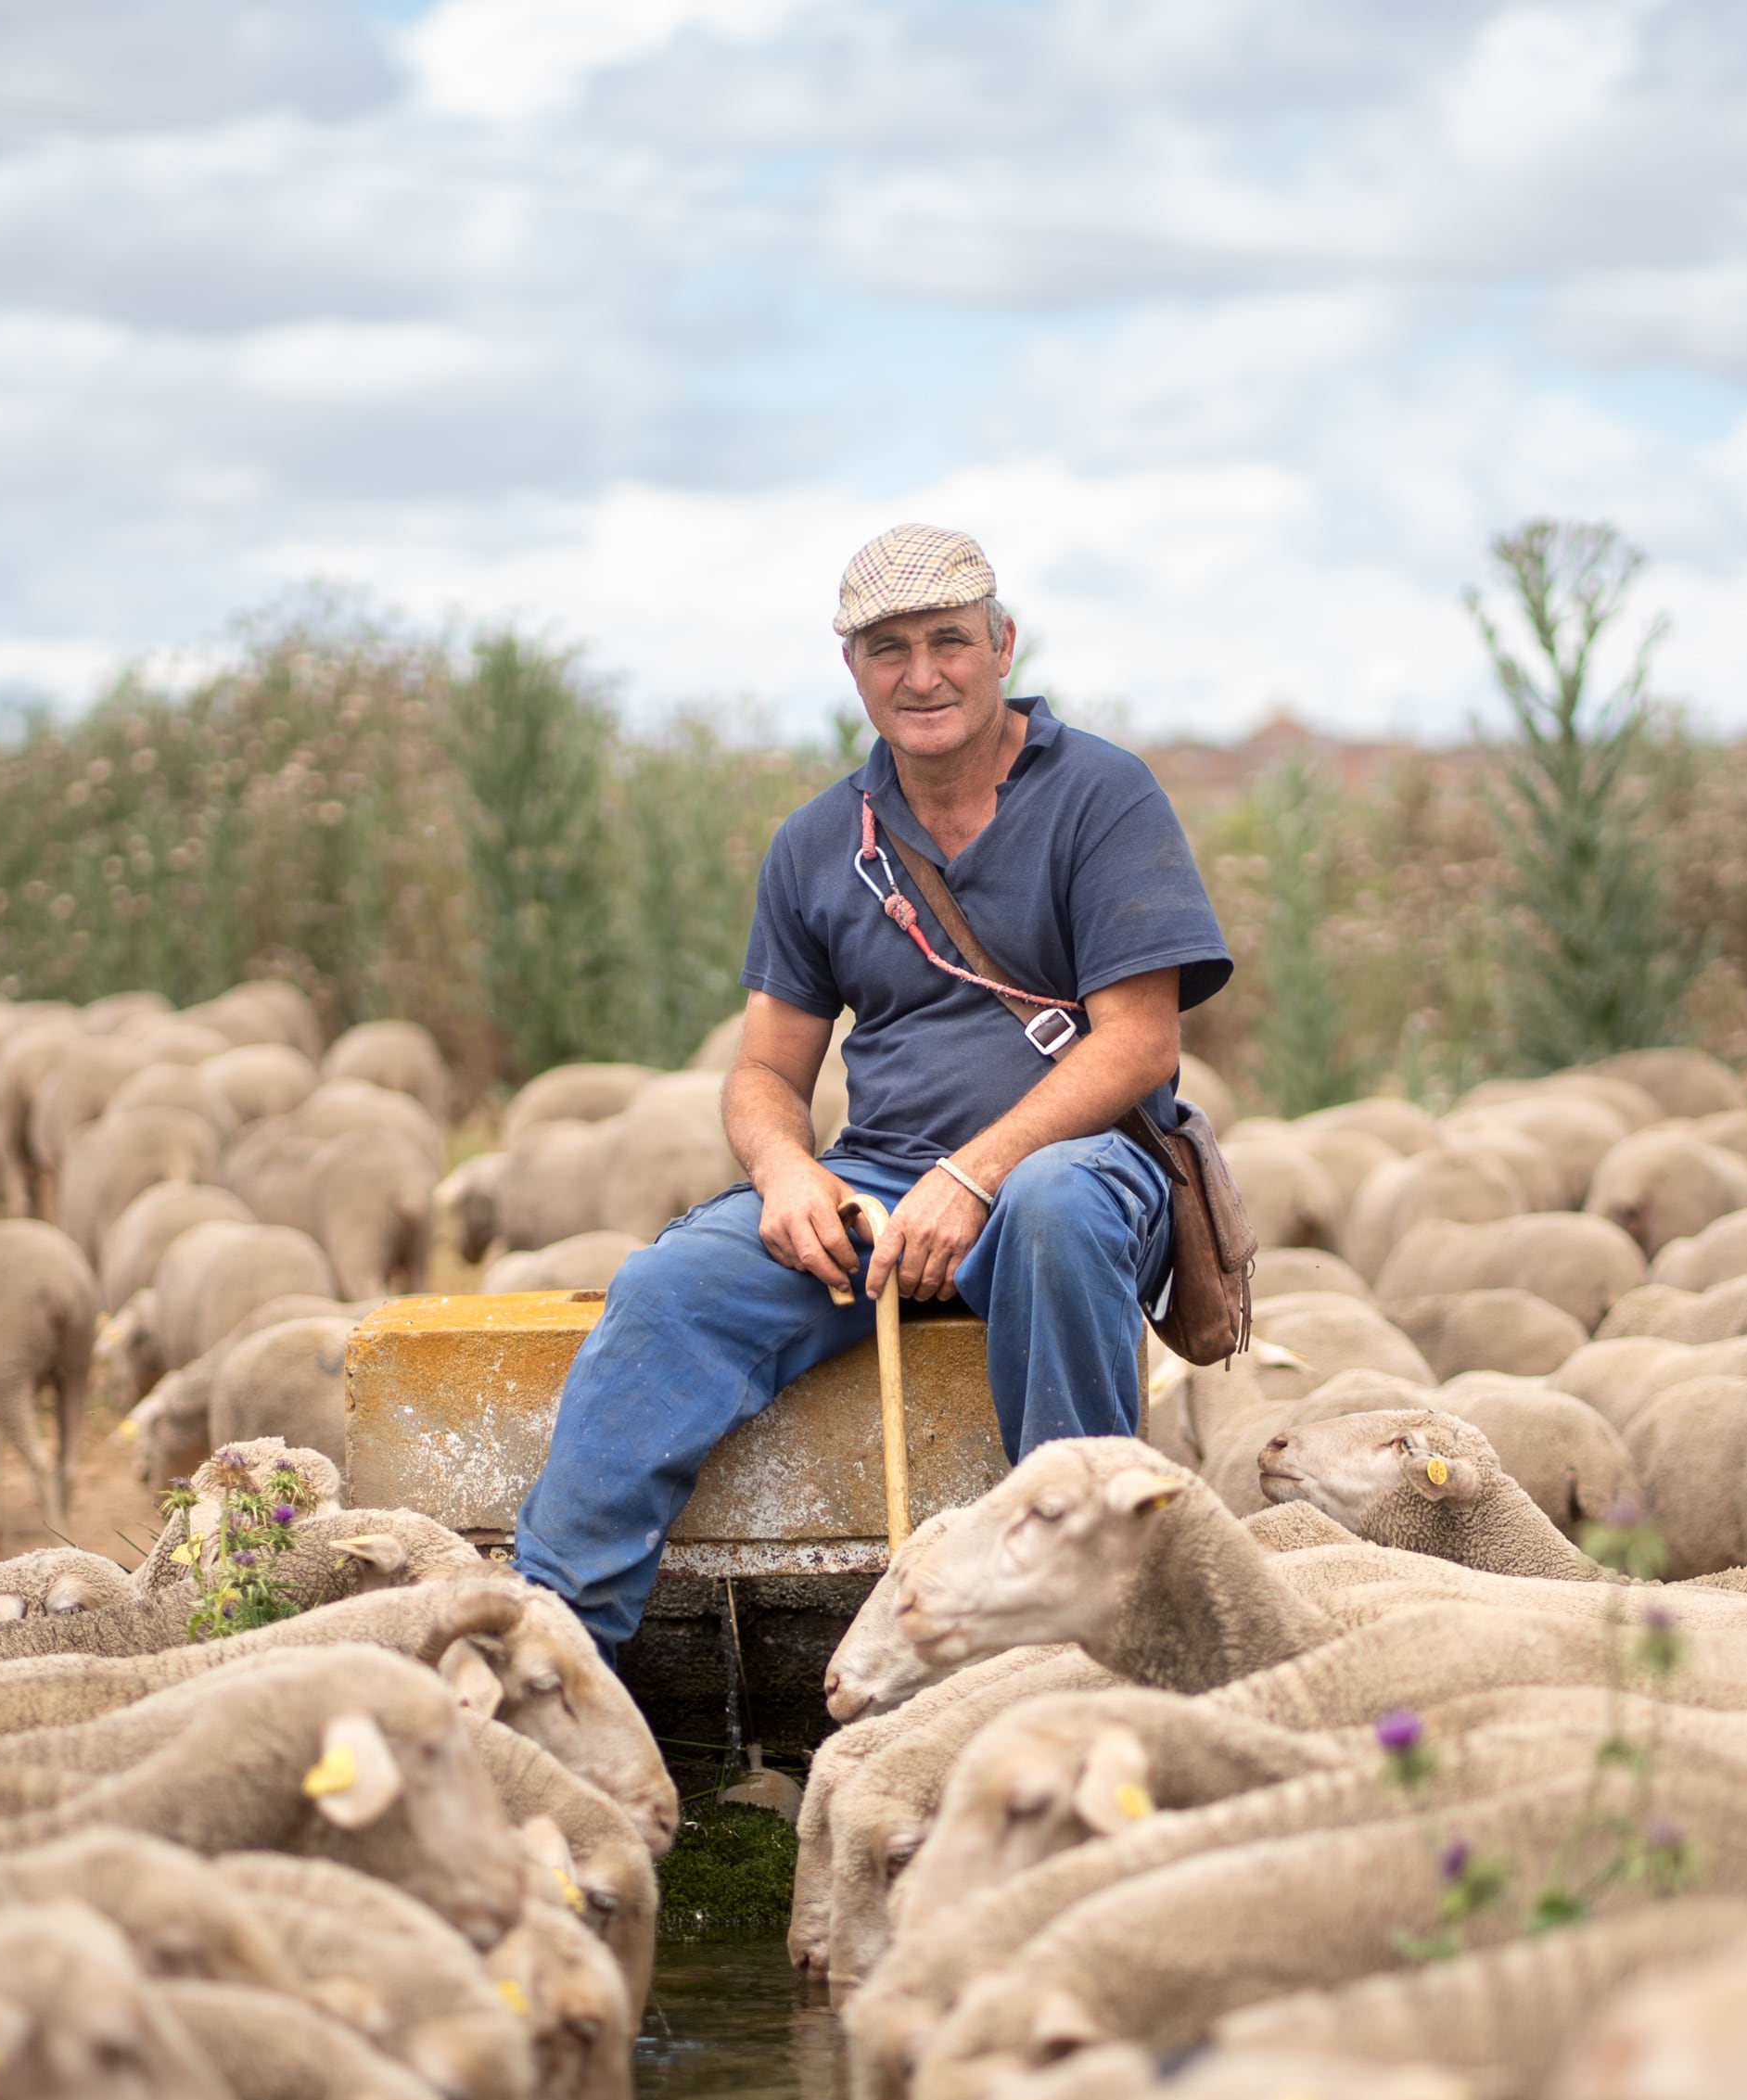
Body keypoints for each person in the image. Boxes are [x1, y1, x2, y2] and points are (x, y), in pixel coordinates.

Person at [510, 523, 1232, 1658]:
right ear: (854, 669)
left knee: (1050, 1207)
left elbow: (1136, 1046)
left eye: (949, 640)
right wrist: (787, 1170)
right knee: (668, 1289)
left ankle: (1085, 1636)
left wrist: (974, 1173)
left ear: (1002, 644)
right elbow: (762, 1069)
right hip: (876, 1186)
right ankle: (551, 1656)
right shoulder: (817, 844)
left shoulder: (1103, 795)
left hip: (1076, 1175)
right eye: (888, 649)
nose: (923, 674)